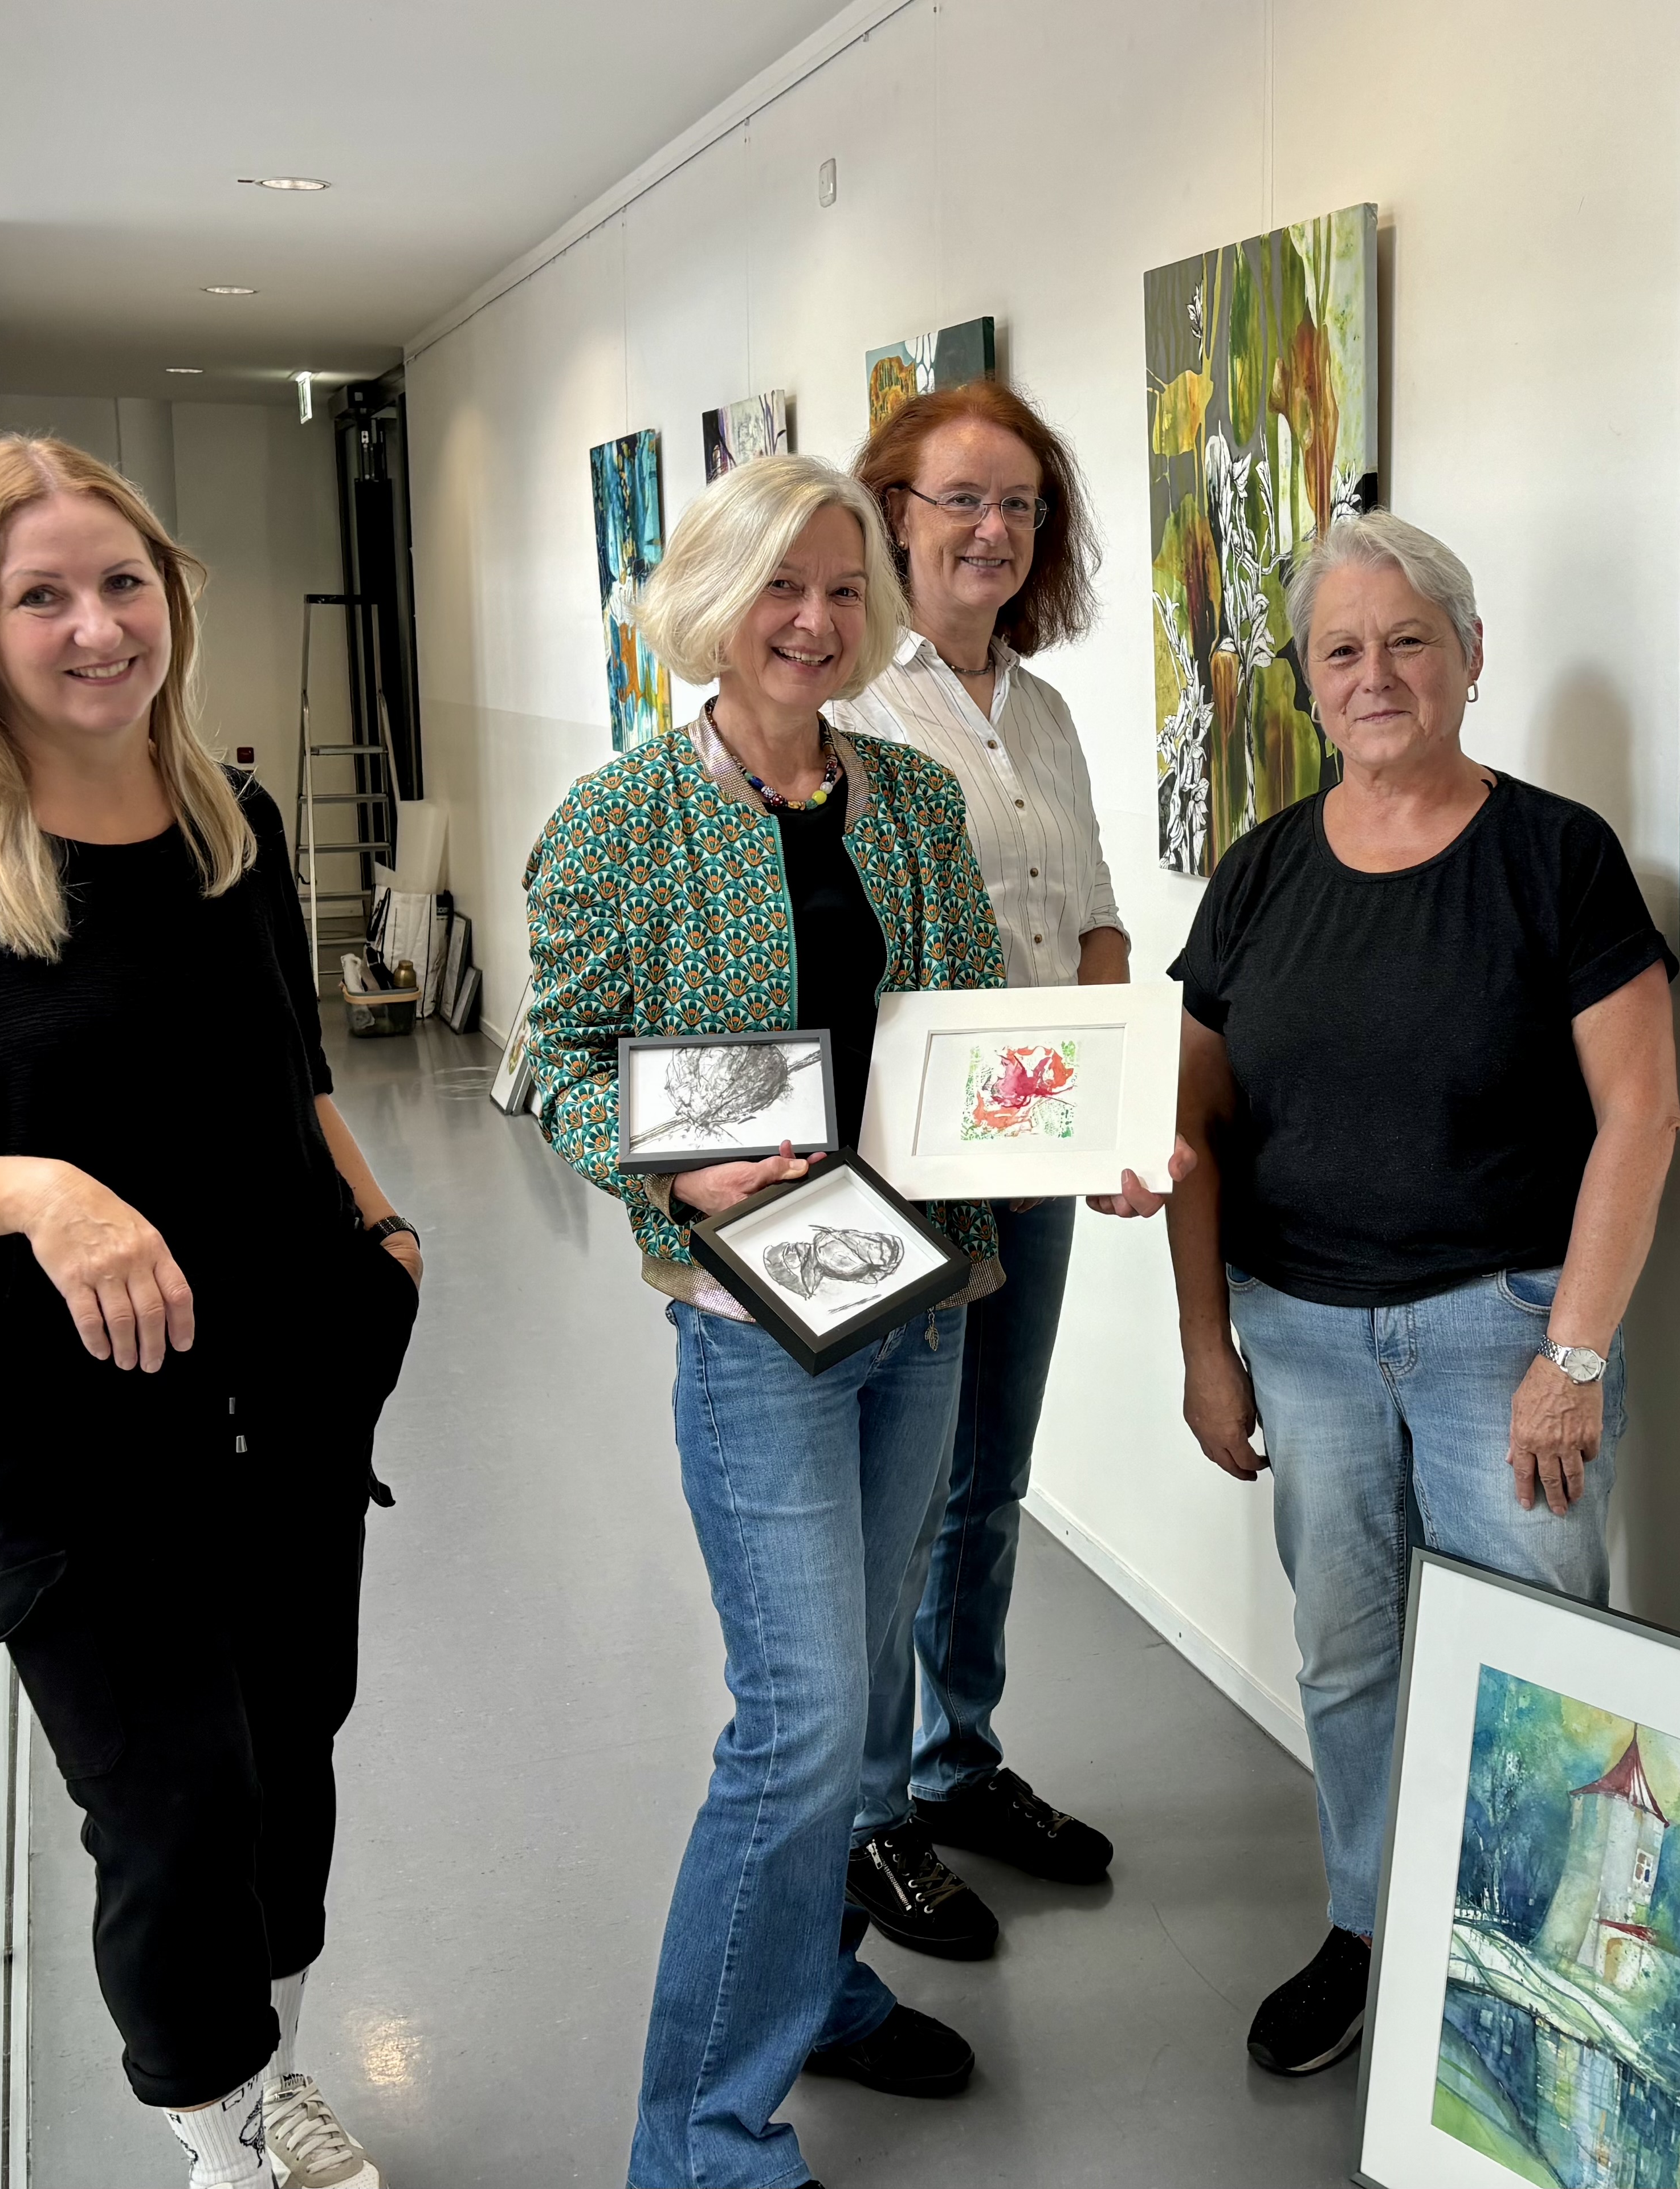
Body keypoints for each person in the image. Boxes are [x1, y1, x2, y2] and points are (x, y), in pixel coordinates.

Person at [0, 437, 420, 2189]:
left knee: (290, 1761)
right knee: (170, 1805)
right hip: (78, 1443)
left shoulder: (228, 819)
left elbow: (292, 1066)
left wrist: (382, 1230)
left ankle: (268, 2053)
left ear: (172, 597)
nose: (95, 626)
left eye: (122, 582)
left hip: (290, 1396)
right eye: (39, 593)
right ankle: (217, 2119)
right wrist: (34, 1190)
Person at [523, 452, 1007, 2189]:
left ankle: (814, 1989)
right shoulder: (618, 819)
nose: (812, 621)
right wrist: (675, 1178)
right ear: (710, 601)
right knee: (797, 1722)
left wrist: (1059, 1137)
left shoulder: (910, 800)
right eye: (777, 587)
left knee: (866, 1690)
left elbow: (962, 1032)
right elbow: (552, 1064)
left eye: (841, 589)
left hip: (916, 1291)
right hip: (750, 1321)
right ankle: (699, 2140)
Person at [1164, 511, 1680, 2078]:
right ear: (1307, 684)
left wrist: (1571, 1357)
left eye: (1407, 641)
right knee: (1347, 1654)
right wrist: (1205, 1344)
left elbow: (1641, 1116)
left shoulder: (1554, 859)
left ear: (1467, 657)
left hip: (1496, 1336)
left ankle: (1520, 1970)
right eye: (1341, 649)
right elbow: (1185, 1132)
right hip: (1304, 1342)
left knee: (1539, 1663)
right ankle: (1369, 1924)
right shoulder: (1257, 877)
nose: (1375, 673)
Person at [832, 378, 1135, 1958]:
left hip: (1022, 1153)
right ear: (892, 512)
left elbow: (1090, 922)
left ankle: (959, 1760)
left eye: (1017, 502)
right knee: (902, 1494)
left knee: (988, 1483)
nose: (992, 529)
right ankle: (872, 1811)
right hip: (890, 1169)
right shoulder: (850, 710)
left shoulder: (1044, 712)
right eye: (960, 498)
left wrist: (1098, 1115)